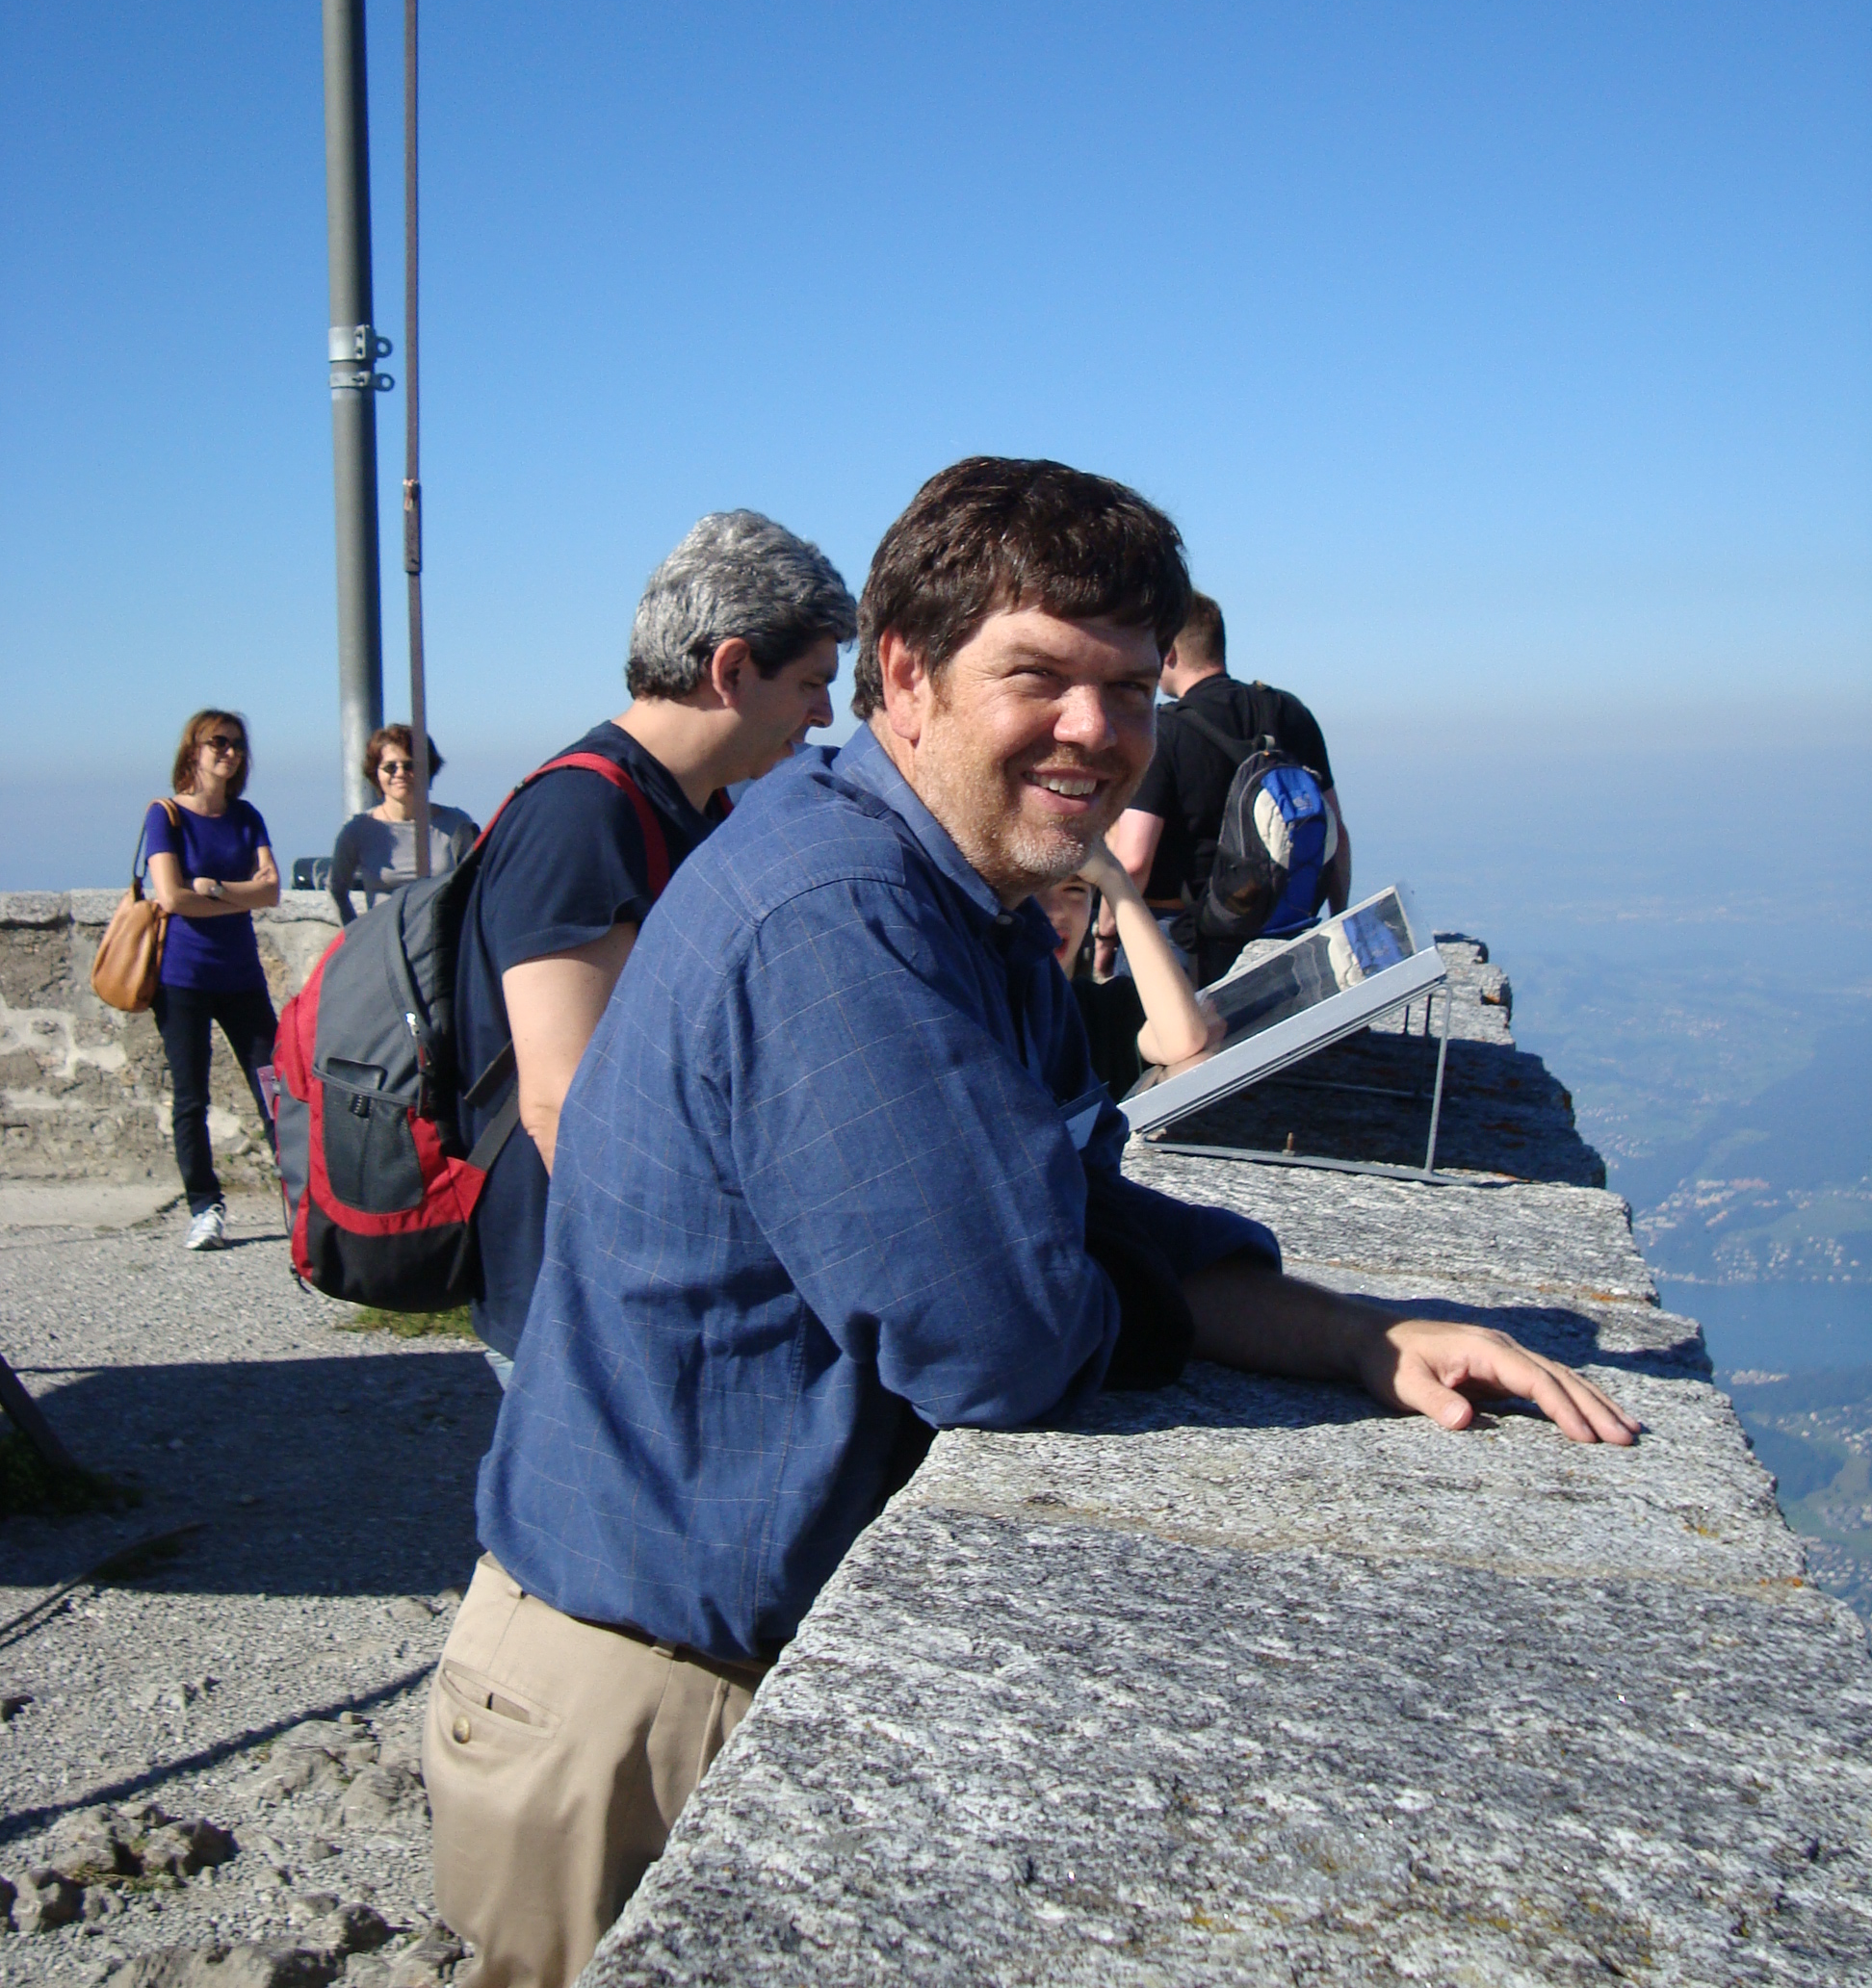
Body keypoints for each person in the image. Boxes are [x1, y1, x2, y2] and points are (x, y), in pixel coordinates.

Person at [424, 457, 1636, 1988]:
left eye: (1126, 686)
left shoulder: (970, 901)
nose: (1098, 728)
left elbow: (1081, 1213)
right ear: (905, 677)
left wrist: (1357, 1337)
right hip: (636, 1709)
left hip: (704, 1660)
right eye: (1040, 676)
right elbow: (998, 1339)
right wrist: (1097, 1281)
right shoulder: (836, 916)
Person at [456, 509, 858, 1385]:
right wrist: (667, 1297)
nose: (825, 713)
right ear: (732, 668)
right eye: (811, 682)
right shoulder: (582, 817)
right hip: (587, 1300)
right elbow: (561, 1103)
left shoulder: (694, 806)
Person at [1107, 591, 1353, 986]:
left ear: (1170, 653)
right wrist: (1339, 920)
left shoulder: (1165, 730)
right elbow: (1334, 831)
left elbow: (1133, 861)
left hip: (1184, 939)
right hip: (1280, 930)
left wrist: (1107, 934)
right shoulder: (1288, 711)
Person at [143, 710, 282, 1252]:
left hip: (241, 977)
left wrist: (217, 889)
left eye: (237, 744)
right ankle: (205, 1207)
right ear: (193, 750)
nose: (229, 752)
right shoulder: (166, 815)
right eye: (218, 742)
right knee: (191, 1098)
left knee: (277, 1087)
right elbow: (171, 897)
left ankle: (303, 1196)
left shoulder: (246, 816)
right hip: (183, 979)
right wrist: (237, 893)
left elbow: (271, 892)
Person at [1034, 837, 1224, 1101]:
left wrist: (1113, 877)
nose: (1055, 911)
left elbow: (1181, 1040)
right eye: (1032, 891)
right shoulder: (981, 1012)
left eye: (1075, 890)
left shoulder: (1102, 1010)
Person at [329, 726, 479, 923]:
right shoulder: (357, 831)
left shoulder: (457, 824)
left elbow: (477, 883)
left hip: (441, 935)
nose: (400, 773)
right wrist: (354, 933)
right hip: (382, 936)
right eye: (390, 767)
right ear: (376, 774)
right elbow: (337, 889)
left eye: (410, 766)